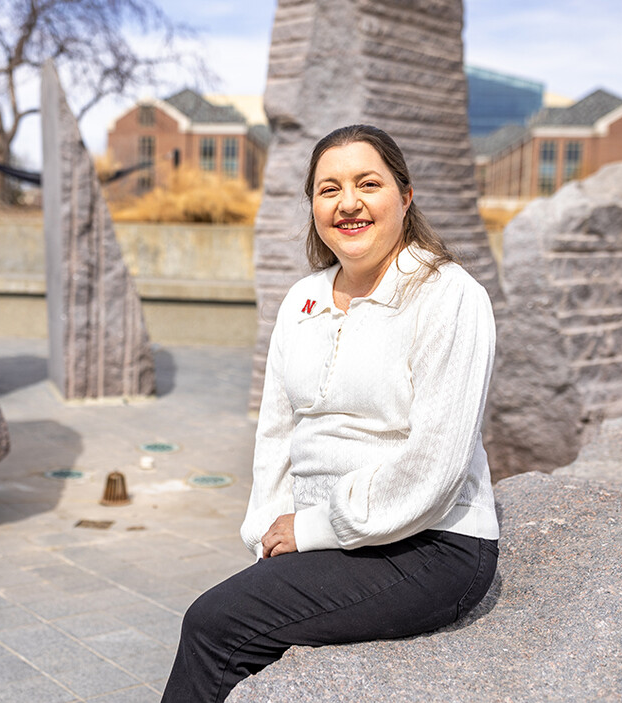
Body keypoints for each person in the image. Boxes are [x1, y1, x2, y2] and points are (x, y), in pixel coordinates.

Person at [161, 125, 500, 703]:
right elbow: (277, 432)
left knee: (213, 626)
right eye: (328, 189)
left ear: (406, 196)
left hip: (430, 542)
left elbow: (434, 467)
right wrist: (265, 535)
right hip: (333, 542)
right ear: (313, 204)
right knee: (236, 623)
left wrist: (314, 528)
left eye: (368, 184)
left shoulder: (450, 296)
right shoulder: (302, 300)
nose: (348, 204)